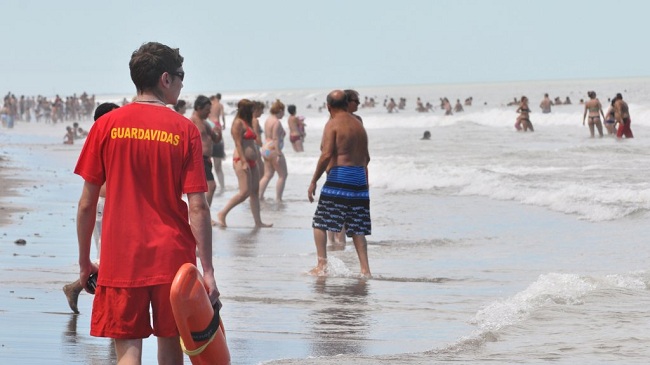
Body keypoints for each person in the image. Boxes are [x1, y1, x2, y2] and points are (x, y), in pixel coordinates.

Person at [74, 42, 219, 365]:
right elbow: (198, 206)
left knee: (127, 351)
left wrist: (85, 262)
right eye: (181, 76)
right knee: (171, 346)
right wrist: (207, 270)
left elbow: (86, 204)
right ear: (165, 79)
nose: (183, 84)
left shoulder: (105, 126)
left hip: (120, 257)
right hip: (173, 260)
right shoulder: (185, 130)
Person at [63, 102, 119, 314]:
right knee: (108, 259)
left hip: (115, 205)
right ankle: (107, 308)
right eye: (114, 116)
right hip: (102, 205)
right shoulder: (103, 140)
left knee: (113, 258)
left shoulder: (117, 139)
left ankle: (75, 287)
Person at [308, 90, 371, 277]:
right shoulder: (358, 124)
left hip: (340, 177)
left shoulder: (333, 124)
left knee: (320, 222)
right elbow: (367, 157)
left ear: (329, 107)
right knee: (357, 226)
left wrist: (314, 181)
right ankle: (365, 270)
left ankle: (322, 266)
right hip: (359, 178)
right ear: (346, 103)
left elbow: (326, 154)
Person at [215, 99, 272, 228]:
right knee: (244, 192)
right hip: (241, 161)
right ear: (245, 110)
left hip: (253, 161)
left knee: (255, 192)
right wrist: (244, 161)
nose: (253, 111)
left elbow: (254, 142)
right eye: (251, 108)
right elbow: (238, 143)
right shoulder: (238, 123)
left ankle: (258, 222)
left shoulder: (249, 122)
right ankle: (222, 213)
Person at [190, 95, 218, 208]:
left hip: (206, 159)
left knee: (206, 188)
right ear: (198, 108)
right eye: (207, 110)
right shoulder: (192, 121)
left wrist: (218, 132)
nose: (209, 113)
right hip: (198, 159)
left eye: (209, 110)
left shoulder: (205, 123)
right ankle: (204, 213)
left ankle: (204, 212)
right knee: (211, 186)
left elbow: (215, 139)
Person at [259, 99, 288, 202]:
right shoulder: (277, 122)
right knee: (283, 175)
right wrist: (279, 153)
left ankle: (259, 196)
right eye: (283, 112)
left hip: (265, 149)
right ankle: (279, 199)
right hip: (273, 150)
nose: (284, 114)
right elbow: (275, 138)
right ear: (280, 110)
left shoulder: (268, 120)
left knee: (268, 174)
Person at [209, 94, 226, 193]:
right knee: (218, 164)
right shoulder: (219, 105)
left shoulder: (209, 104)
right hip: (216, 124)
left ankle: (211, 183)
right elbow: (223, 116)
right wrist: (224, 125)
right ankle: (222, 186)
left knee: (208, 158)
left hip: (209, 124)